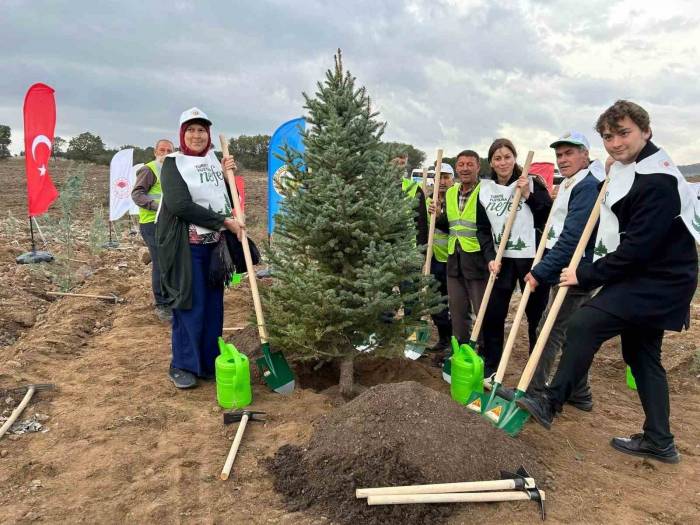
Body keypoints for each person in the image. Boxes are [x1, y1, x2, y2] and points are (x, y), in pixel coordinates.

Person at [516, 100, 699, 464]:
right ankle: (660, 440)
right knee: (642, 355)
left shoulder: (658, 181)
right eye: (608, 136)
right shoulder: (642, 165)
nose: (615, 143)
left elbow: (637, 249)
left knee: (584, 323)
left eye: (624, 133)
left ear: (646, 131)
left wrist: (584, 273)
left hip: (657, 278)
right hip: (652, 273)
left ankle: (551, 401)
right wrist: (617, 166)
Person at [156, 107, 244, 389]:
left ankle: (208, 362)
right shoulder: (173, 163)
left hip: (214, 248)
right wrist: (222, 222)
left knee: (213, 307)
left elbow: (227, 199)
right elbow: (179, 205)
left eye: (202, 130)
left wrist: (228, 177)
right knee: (190, 305)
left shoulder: (213, 161)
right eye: (191, 130)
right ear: (183, 134)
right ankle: (183, 365)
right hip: (187, 248)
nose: (197, 135)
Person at [523, 132, 605, 411]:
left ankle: (533, 390)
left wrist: (540, 272)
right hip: (573, 268)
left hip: (576, 270)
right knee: (570, 332)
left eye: (569, 153)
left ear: (585, 154)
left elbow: (571, 239)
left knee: (548, 328)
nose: (562, 160)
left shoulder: (587, 187)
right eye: (559, 155)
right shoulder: (573, 184)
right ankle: (580, 393)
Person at [477, 139, 552, 377]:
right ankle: (492, 365)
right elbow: (482, 228)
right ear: (491, 162)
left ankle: (536, 371)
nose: (502, 162)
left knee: (535, 314)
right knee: (494, 313)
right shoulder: (486, 190)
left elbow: (547, 217)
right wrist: (490, 256)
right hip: (502, 261)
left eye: (507, 156)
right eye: (497, 158)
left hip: (532, 259)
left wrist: (529, 195)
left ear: (515, 158)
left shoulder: (531, 183)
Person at [433, 151, 489, 358]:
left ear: (478, 167)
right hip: (453, 259)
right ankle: (460, 351)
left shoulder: (485, 191)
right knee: (457, 311)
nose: (465, 168)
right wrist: (437, 214)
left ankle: (483, 353)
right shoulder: (451, 193)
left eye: (470, 164)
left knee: (480, 309)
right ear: (456, 168)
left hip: (476, 259)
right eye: (461, 164)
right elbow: (451, 225)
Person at [132, 139, 175, 322]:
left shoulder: (173, 170)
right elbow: (137, 194)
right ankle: (162, 304)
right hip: (152, 222)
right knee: (160, 262)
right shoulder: (149, 169)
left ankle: (172, 298)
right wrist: (156, 206)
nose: (165, 153)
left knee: (171, 261)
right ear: (155, 152)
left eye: (169, 150)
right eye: (162, 150)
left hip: (169, 222)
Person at [425, 163, 455, 353]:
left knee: (456, 304)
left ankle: (456, 339)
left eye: (446, 177)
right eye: (439, 178)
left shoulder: (456, 200)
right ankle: (444, 338)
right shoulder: (429, 200)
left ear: (452, 179)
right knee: (436, 302)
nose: (442, 182)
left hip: (453, 259)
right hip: (434, 259)